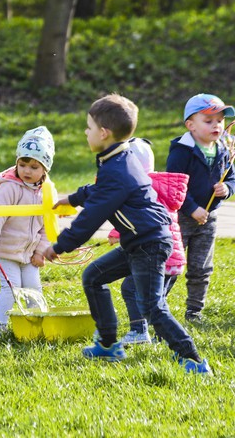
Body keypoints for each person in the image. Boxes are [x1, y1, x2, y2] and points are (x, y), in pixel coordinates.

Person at [43, 94, 211, 374]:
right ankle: (109, 345)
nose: (86, 132)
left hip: (150, 243)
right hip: (140, 241)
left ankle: (192, 359)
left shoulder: (118, 167)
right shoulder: (117, 158)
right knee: (93, 276)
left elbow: (91, 218)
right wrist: (72, 199)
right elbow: (99, 191)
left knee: (152, 307)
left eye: (89, 127)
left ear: (103, 133)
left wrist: (59, 246)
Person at [107, 138, 188, 345]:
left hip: (156, 255)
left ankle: (138, 330)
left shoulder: (140, 188)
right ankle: (164, 335)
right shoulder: (162, 187)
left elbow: (140, 217)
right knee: (156, 301)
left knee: (131, 289)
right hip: (174, 258)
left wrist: (116, 233)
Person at [166, 93, 235, 324]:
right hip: (181, 218)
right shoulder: (181, 150)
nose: (216, 125)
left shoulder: (224, 149)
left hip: (209, 219)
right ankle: (158, 308)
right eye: (208, 120)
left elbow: (232, 178)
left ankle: (194, 312)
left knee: (201, 268)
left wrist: (227, 188)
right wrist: (192, 207)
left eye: (219, 120)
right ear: (190, 125)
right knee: (172, 264)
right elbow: (173, 185)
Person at [0, 126, 53, 339]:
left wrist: (41, 252)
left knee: (33, 288)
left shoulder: (46, 192)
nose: (27, 171)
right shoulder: (10, 187)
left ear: (45, 169)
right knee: (12, 287)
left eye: (34, 166)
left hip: (29, 253)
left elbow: (47, 226)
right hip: (5, 250)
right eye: (22, 164)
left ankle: (36, 326)